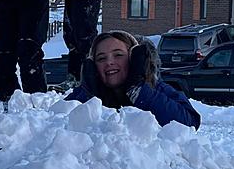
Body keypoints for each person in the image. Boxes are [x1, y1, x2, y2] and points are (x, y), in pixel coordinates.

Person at [66, 30, 200, 129]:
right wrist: (89, 95)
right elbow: (57, 124)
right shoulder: (83, 94)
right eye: (101, 58)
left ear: (134, 59)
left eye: (118, 55)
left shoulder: (157, 90)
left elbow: (189, 124)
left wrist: (140, 92)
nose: (109, 62)